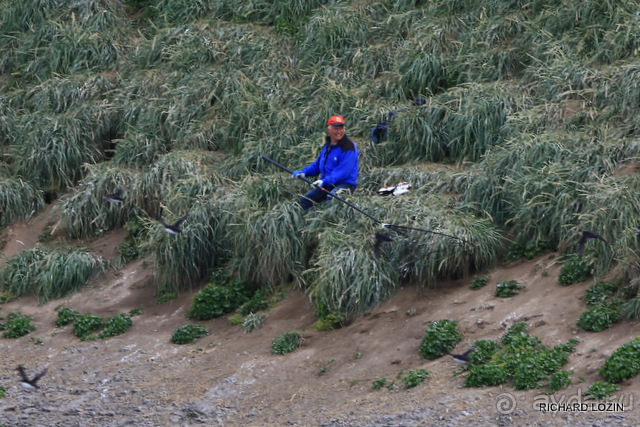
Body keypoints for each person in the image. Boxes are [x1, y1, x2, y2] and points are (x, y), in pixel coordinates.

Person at [292, 115, 359, 210]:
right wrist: (304, 172)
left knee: (331, 198)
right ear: (329, 130)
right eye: (336, 128)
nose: (339, 131)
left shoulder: (349, 147)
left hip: (345, 185)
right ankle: (313, 221)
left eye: (341, 128)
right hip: (327, 184)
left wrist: (324, 181)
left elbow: (343, 172)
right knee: (305, 200)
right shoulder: (328, 146)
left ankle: (330, 222)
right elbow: (317, 165)